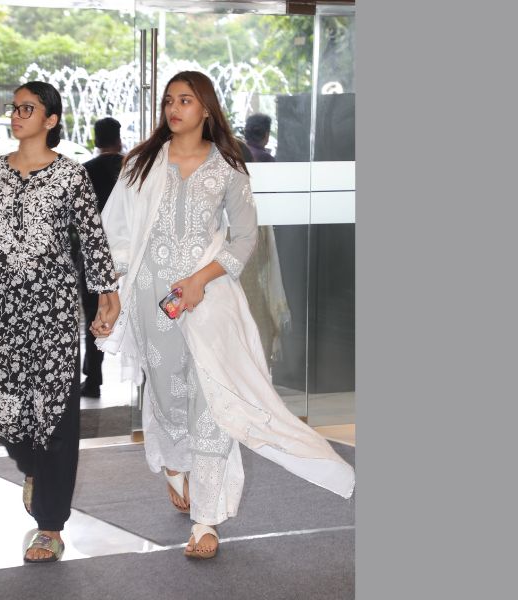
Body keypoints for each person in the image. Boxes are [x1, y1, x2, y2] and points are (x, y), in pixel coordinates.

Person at [94, 71, 354, 560]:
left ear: (206, 109)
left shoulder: (228, 167)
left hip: (208, 299)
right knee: (169, 395)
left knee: (212, 400)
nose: (174, 108)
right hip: (151, 299)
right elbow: (117, 235)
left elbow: (245, 238)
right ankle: (175, 462)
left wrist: (201, 280)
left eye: (185, 100)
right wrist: (111, 296)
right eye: (169, 100)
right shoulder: (142, 164)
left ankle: (206, 520)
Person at [0, 81, 120, 563]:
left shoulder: (71, 176)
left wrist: (106, 295)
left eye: (27, 108)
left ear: (50, 120)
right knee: (6, 412)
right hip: (0, 310)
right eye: (14, 107)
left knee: (55, 415)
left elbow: (92, 238)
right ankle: (32, 467)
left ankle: (49, 525)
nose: (16, 114)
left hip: (51, 311)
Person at [79, 117, 125, 399]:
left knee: (95, 316)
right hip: (129, 255)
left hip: (95, 255)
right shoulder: (131, 168)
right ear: (119, 140)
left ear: (96, 140)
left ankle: (93, 379)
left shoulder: (85, 171)